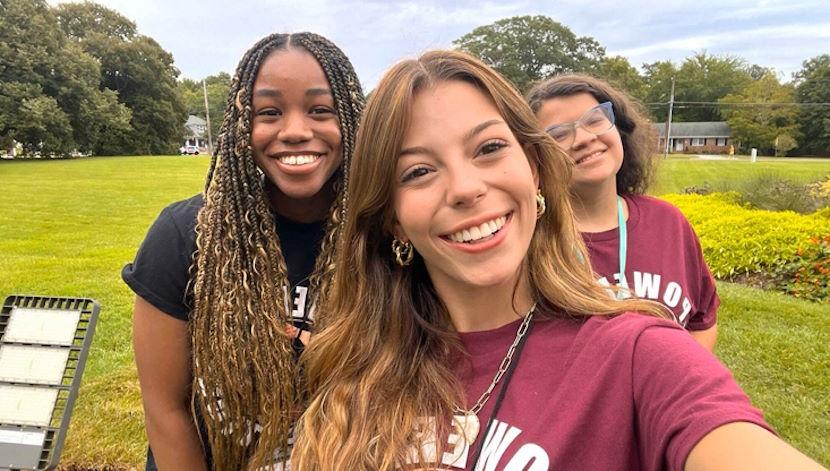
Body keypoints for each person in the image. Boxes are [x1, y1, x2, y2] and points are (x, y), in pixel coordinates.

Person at [290, 50, 822, 470]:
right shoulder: (356, 369)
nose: (466, 188)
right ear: (392, 220)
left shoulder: (638, 354)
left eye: (489, 148)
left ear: (537, 171)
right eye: (418, 172)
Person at [122, 32, 363, 470]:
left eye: (320, 110)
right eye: (268, 112)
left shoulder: (383, 238)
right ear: (241, 127)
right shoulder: (184, 236)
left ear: (350, 118)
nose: (294, 131)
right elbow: (166, 409)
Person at [527, 75, 720, 351]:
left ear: (619, 127)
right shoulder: (532, 242)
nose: (583, 138)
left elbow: (702, 320)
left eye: (594, 119)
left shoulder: (668, 222)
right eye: (559, 134)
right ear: (536, 157)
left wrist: (679, 386)